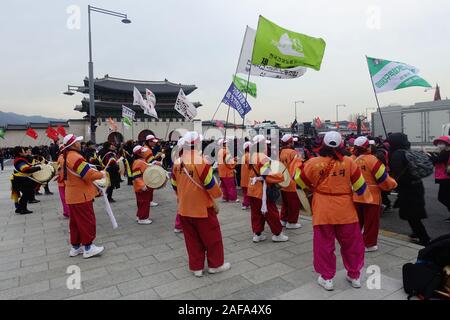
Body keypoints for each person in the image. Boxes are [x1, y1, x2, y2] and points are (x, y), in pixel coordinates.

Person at [292, 131, 367, 291]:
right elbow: (361, 188)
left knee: (324, 245)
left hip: (322, 210)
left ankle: (327, 279)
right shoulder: (350, 162)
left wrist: (300, 170)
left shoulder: (313, 163)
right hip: (346, 210)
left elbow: (299, 181)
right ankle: (354, 276)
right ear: (341, 144)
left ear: (323, 144)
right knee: (351, 244)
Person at [171, 131, 230, 277]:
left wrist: (182, 196)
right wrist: (217, 195)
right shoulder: (201, 160)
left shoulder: (177, 162)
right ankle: (215, 265)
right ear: (197, 144)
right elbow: (210, 183)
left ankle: (196, 267)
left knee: (192, 240)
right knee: (212, 238)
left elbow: (174, 184)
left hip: (184, 208)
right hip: (202, 208)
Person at [62, 134, 105, 258]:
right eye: (78, 142)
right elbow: (88, 174)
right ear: (74, 145)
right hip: (81, 196)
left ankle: (76, 247)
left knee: (75, 223)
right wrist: (101, 174)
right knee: (87, 221)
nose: (80, 144)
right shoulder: (75, 157)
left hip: (72, 196)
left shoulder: (66, 156)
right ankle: (88, 247)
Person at [352, 136, 397, 252]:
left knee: (356, 222)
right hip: (371, 197)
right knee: (371, 222)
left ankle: (353, 242)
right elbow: (383, 179)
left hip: (355, 195)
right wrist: (393, 184)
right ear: (368, 147)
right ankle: (369, 244)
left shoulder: (351, 160)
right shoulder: (372, 160)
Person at [387, 133, 431, 246]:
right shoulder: (407, 150)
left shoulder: (396, 154)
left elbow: (397, 173)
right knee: (414, 213)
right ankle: (416, 233)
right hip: (417, 186)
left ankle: (424, 238)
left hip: (408, 188)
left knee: (412, 215)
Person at [247, 135, 289, 243]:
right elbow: (266, 174)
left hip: (252, 189)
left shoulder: (251, 156)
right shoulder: (262, 157)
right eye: (265, 144)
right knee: (271, 213)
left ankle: (257, 234)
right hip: (262, 190)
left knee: (256, 213)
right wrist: (281, 176)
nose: (267, 146)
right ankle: (277, 234)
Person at [279, 134, 302, 229]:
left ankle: (283, 219)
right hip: (292, 182)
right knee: (293, 203)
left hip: (283, 180)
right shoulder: (293, 152)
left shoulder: (281, 151)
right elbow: (298, 167)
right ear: (290, 142)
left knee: (285, 203)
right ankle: (292, 222)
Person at [10, 146, 42, 214]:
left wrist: (36, 165)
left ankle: (19, 208)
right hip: (21, 180)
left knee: (26, 193)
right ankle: (23, 209)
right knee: (26, 194)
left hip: (21, 180)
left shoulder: (20, 159)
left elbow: (28, 166)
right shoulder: (19, 160)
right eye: (23, 151)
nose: (25, 152)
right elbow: (25, 169)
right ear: (20, 153)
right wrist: (38, 168)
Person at [428, 136, 450, 223]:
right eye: (438, 143)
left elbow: (437, 160)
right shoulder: (445, 151)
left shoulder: (446, 152)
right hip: (446, 177)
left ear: (447, 144)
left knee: (442, 197)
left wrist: (428, 155)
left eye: (441, 143)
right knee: (446, 197)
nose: (439, 145)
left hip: (446, 178)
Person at [131, 145, 154, 225]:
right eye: (143, 152)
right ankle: (143, 218)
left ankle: (139, 216)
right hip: (142, 187)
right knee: (144, 202)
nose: (145, 153)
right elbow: (136, 176)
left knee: (141, 202)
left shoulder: (141, 161)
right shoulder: (138, 163)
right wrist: (142, 185)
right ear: (139, 154)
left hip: (142, 186)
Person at [217, 138, 239, 203]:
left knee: (224, 186)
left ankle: (225, 197)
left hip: (221, 172)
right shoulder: (226, 151)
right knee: (230, 186)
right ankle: (232, 198)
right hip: (227, 172)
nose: (228, 144)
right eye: (226, 143)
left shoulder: (219, 151)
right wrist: (235, 161)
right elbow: (229, 163)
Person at [56, 144, 70, 218]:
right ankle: (68, 212)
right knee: (67, 198)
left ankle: (66, 211)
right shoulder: (64, 158)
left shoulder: (60, 157)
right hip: (65, 180)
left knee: (63, 198)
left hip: (61, 181)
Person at [240, 141, 251, 210]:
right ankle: (245, 204)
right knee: (248, 192)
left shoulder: (244, 155)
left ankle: (246, 203)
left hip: (244, 177)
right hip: (248, 177)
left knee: (245, 192)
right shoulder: (249, 156)